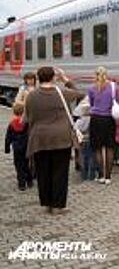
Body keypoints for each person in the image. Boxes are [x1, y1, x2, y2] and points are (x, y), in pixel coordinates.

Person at [25, 67, 85, 214]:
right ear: (54, 78)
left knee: (43, 172)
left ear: (38, 78)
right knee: (60, 172)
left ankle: (47, 204)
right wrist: (66, 80)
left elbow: (28, 118)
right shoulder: (62, 93)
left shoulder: (31, 96)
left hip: (39, 138)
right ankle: (58, 206)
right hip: (61, 138)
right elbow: (81, 94)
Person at [88, 66, 119, 185]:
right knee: (109, 147)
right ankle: (108, 177)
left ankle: (101, 176)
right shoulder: (113, 86)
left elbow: (91, 104)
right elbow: (118, 102)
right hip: (109, 119)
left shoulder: (91, 88)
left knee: (98, 148)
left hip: (96, 119)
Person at [4, 103, 33, 191]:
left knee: (19, 166)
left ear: (14, 112)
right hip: (26, 147)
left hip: (17, 149)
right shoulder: (27, 123)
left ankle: (21, 184)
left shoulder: (12, 124)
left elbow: (8, 137)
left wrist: (7, 148)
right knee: (26, 164)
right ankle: (29, 180)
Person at [73, 97, 97, 181]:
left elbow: (75, 129)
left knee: (83, 158)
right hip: (91, 140)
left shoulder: (79, 121)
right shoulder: (93, 120)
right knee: (92, 158)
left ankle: (84, 175)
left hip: (82, 141)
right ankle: (92, 175)